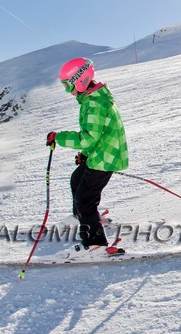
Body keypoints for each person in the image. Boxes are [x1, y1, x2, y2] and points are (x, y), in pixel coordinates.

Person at [45, 57, 129, 256]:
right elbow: (97, 136)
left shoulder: (93, 103)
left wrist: (59, 137)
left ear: (80, 80)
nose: (67, 91)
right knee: (77, 179)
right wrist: (85, 154)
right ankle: (83, 217)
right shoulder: (93, 98)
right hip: (102, 154)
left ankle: (95, 244)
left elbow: (88, 138)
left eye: (68, 85)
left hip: (105, 158)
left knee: (85, 198)